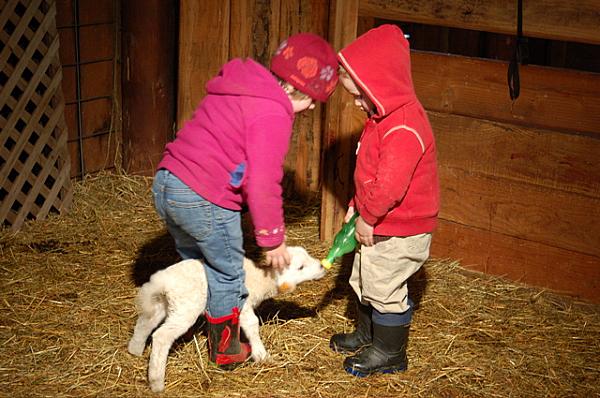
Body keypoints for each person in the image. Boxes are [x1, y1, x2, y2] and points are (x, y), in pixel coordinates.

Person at [152, 33, 338, 367]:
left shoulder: (241, 87)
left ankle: (196, 312)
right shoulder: (274, 113)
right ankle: (226, 349)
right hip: (205, 197)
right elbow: (263, 180)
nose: (311, 107)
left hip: (169, 184)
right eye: (312, 99)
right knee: (227, 273)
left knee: (197, 262)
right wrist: (273, 239)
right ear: (297, 87)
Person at [329, 24, 440, 377]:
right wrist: (355, 204)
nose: (359, 103)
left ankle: (390, 353)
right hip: (379, 220)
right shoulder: (381, 118)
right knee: (366, 278)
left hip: (400, 226)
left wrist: (369, 215)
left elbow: (391, 185)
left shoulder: (403, 126)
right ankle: (368, 335)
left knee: (385, 285)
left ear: (383, 83)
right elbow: (370, 171)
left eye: (362, 94)